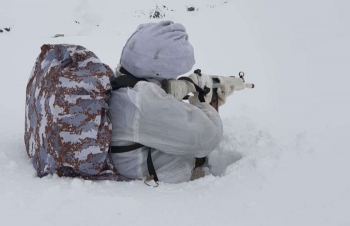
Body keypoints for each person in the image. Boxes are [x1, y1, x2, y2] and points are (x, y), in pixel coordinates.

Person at [108, 21, 231, 183]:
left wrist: (184, 87)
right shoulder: (144, 100)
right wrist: (205, 105)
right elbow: (208, 137)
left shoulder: (122, 81)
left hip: (137, 164)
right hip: (157, 184)